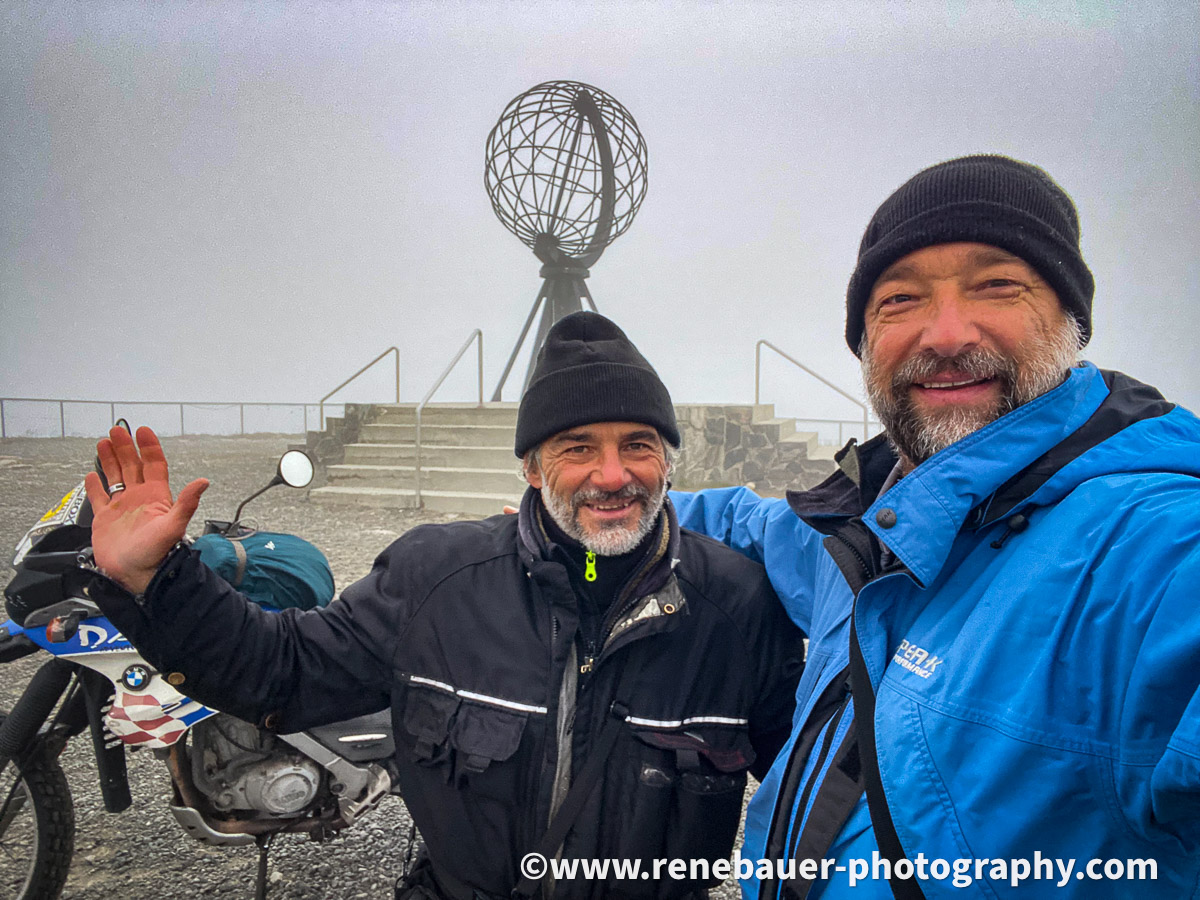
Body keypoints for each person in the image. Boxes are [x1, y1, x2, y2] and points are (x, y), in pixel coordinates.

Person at [84, 311, 805, 900]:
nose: (612, 475)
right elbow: (283, 670)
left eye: (638, 445)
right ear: (531, 466)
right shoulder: (435, 579)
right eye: (577, 447)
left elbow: (821, 793)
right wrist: (159, 580)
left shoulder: (739, 608)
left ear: (669, 462)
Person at [672, 155, 1200, 898]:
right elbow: (747, 520)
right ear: (864, 340)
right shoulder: (863, 532)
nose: (946, 334)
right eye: (900, 299)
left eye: (997, 285)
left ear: (1072, 321)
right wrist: (621, 510)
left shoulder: (1150, 546)